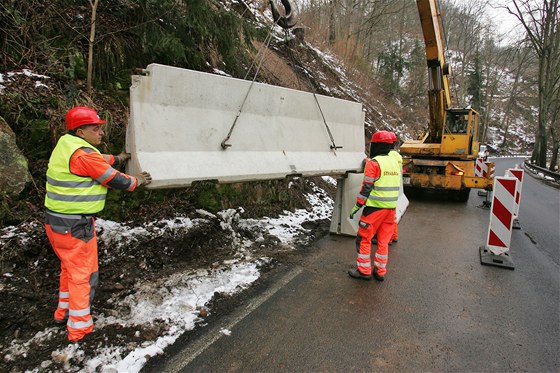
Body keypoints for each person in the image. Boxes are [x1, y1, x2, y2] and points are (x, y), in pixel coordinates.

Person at [44, 106, 152, 342]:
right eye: (95, 128)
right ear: (81, 132)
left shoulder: (67, 145)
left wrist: (119, 158)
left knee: (69, 270)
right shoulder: (83, 154)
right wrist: (139, 181)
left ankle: (62, 313)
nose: (101, 132)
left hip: (56, 222)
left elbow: (97, 160)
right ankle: (80, 328)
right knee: (84, 274)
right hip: (75, 225)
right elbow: (116, 180)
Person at [348, 130, 401, 282]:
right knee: (383, 241)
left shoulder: (374, 163)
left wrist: (358, 205)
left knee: (364, 238)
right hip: (390, 209)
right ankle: (380, 271)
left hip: (374, 209)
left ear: (375, 145)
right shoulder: (394, 162)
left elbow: (366, 187)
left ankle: (364, 270)